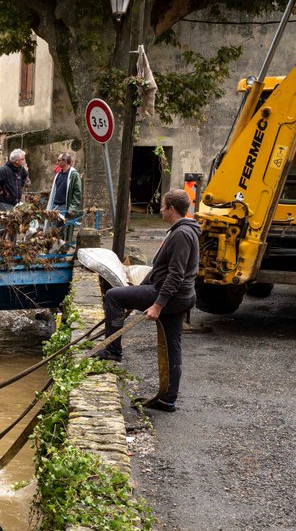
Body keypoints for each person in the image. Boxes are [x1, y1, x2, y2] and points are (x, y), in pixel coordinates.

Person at [97, 188, 199, 412]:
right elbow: (159, 270)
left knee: (113, 297)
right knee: (173, 346)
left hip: (171, 296)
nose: (160, 210)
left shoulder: (181, 234)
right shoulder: (181, 230)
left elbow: (175, 274)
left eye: (163, 206)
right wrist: (140, 290)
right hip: (178, 296)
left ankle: (113, 351)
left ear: (172, 209)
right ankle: (167, 399)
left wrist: (157, 305)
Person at [46, 151, 82, 218]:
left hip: (65, 207)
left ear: (64, 161)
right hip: (55, 206)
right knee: (53, 227)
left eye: (58, 160)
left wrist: (72, 207)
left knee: (62, 227)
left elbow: (77, 192)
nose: (57, 162)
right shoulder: (58, 174)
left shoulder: (74, 175)